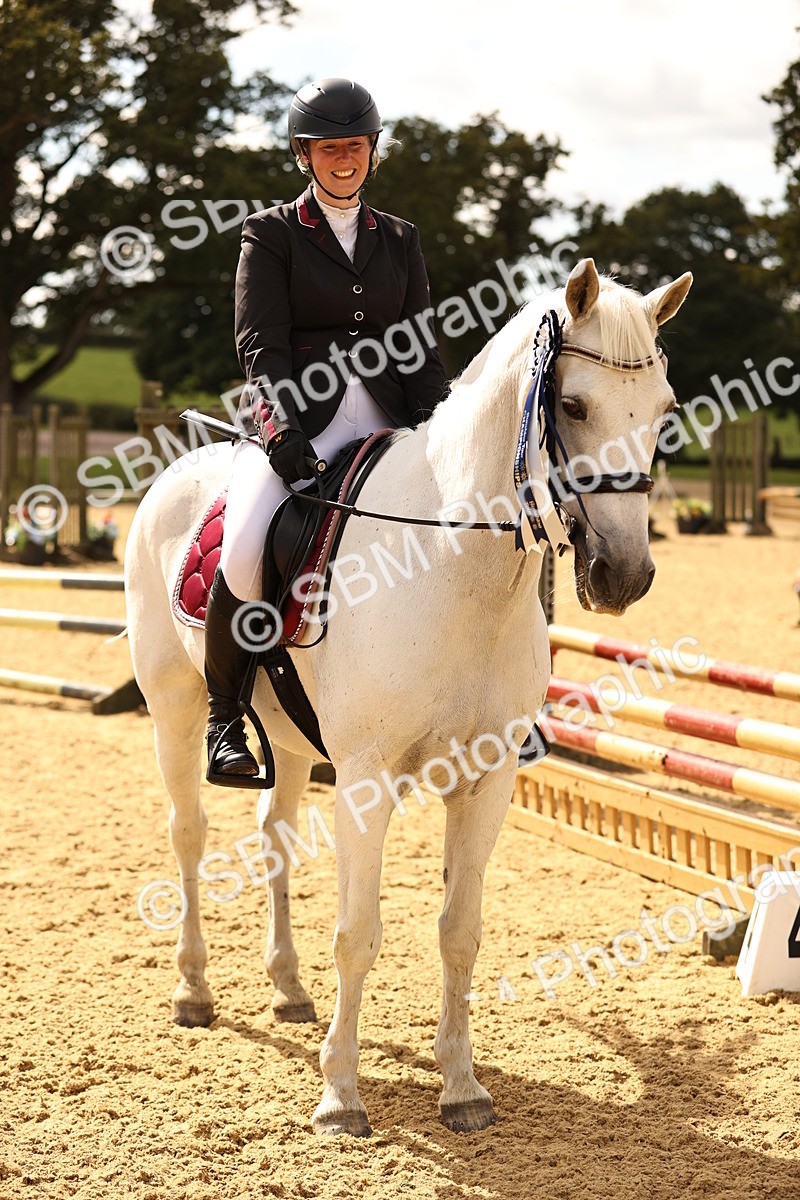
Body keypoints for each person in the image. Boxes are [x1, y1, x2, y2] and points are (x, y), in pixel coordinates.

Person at [204, 77, 448, 783]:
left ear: (374, 152)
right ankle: (226, 721)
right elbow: (261, 346)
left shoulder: (399, 239)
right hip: (298, 423)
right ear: (304, 156)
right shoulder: (270, 233)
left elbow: (419, 351)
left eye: (355, 146)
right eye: (328, 148)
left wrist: (446, 429)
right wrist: (280, 437)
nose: (344, 159)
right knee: (246, 544)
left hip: (386, 417)